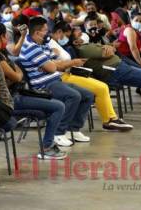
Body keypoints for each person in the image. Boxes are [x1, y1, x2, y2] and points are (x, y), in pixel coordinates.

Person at [0, 19, 67, 159]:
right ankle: (47, 147)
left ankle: (49, 143)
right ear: (1, 37)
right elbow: (17, 77)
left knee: (50, 105)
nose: (8, 39)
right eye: (6, 36)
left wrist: (22, 37)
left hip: (13, 95)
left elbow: (15, 56)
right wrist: (18, 71)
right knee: (58, 106)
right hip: (10, 100)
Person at [19, 16, 95, 147]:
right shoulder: (31, 47)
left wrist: (53, 63)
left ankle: (74, 128)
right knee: (73, 95)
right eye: (45, 31)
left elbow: (54, 57)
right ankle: (58, 133)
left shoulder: (40, 44)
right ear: (37, 32)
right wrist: (71, 62)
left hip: (55, 80)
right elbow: (52, 67)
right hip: (43, 85)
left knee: (88, 95)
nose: (47, 33)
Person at [49, 21, 133, 131]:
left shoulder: (60, 44)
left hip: (69, 74)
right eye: (67, 35)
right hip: (62, 77)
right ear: (59, 32)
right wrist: (73, 62)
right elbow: (54, 66)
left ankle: (110, 119)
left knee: (102, 87)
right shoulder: (51, 45)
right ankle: (108, 120)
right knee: (100, 88)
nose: (67, 38)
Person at [72, 41, 141, 124]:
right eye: (77, 32)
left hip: (119, 66)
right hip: (114, 71)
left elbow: (111, 49)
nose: (80, 34)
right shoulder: (84, 49)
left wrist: (109, 47)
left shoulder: (88, 45)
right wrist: (109, 48)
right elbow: (108, 52)